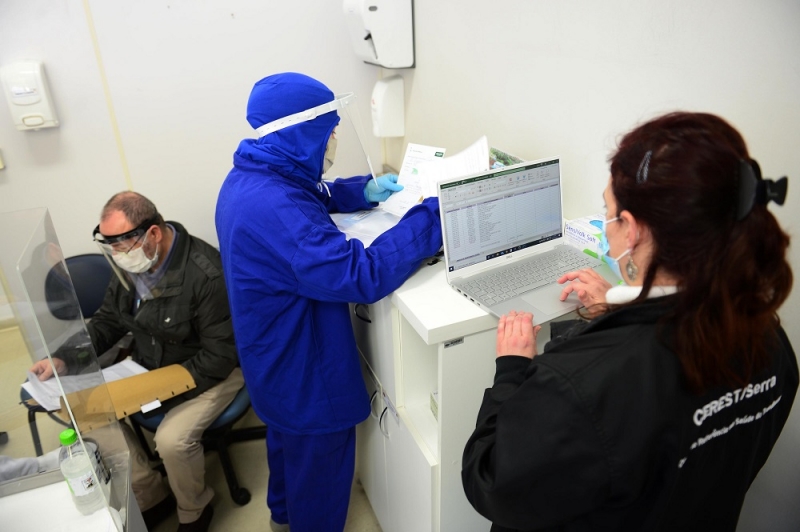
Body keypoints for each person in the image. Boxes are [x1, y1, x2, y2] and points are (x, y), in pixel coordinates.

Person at [461, 112, 798, 532]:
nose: (608, 225)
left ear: (633, 231)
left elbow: (490, 481)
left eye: (609, 211)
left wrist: (511, 370)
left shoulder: (575, 386)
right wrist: (624, 311)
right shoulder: (771, 341)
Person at [215, 72, 443, 532]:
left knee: (286, 453)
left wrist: (360, 191)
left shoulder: (252, 176)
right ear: (302, 133)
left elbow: (307, 193)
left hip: (272, 364)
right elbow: (361, 275)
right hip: (306, 376)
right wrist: (431, 216)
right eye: (330, 130)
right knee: (318, 476)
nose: (335, 137)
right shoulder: (276, 209)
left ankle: (283, 518)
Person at [31, 191, 242, 532]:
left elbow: (219, 356)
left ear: (153, 234)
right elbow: (108, 321)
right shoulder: (134, 263)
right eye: (110, 245)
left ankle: (194, 510)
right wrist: (63, 358)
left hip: (211, 371)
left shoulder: (206, 274)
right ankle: (151, 494)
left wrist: (158, 393)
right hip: (149, 367)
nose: (116, 255)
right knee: (87, 413)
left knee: (171, 441)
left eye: (121, 244)